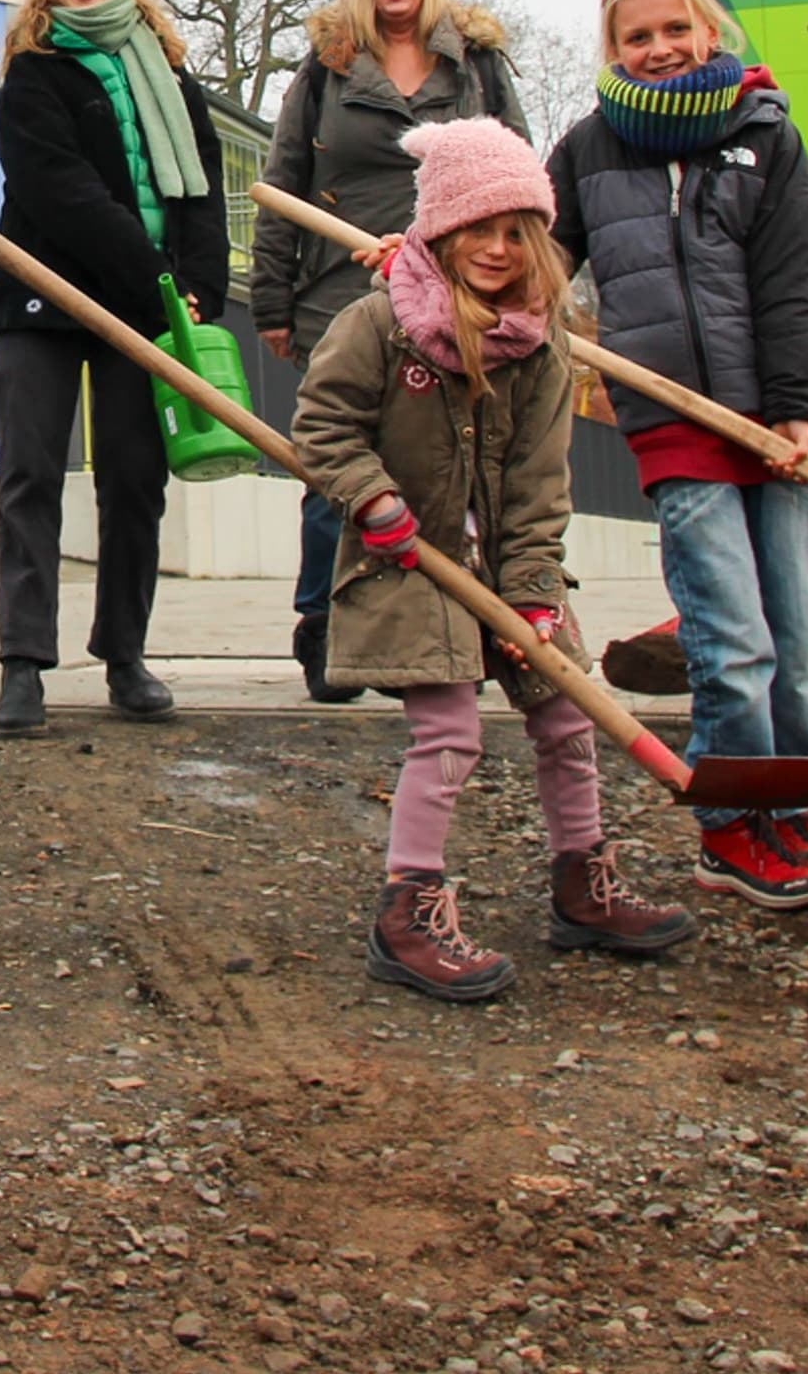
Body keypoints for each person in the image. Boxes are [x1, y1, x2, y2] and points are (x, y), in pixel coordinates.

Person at [295, 119, 695, 1001]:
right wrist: (374, 501)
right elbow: (321, 428)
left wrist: (538, 599)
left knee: (566, 715)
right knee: (449, 734)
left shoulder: (541, 347)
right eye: (479, 227)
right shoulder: (379, 326)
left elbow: (539, 488)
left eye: (517, 232)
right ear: (441, 226)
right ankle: (409, 912)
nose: (498, 248)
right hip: (408, 565)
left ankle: (581, 883)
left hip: (507, 568)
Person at [547, 0, 808, 909]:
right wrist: (432, 261)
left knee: (796, 635)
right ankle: (730, 823)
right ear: (614, 49)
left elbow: (801, 279)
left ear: (710, 32)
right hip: (676, 423)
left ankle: (790, 796)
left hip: (780, 420)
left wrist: (798, 406)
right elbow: (530, 251)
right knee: (732, 637)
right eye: (638, 36)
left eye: (676, 29)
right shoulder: (591, 149)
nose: (661, 48)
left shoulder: (766, 135)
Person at [253, 0, 531, 705]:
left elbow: (517, 172)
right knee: (333, 465)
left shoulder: (476, 66)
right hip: (342, 292)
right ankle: (323, 628)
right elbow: (282, 185)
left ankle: (455, 633)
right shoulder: (328, 67)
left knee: (452, 466)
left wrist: (525, 284)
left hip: (457, 290)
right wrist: (272, 301)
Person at [0, 0, 227, 734]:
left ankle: (125, 656)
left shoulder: (165, 69)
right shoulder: (33, 73)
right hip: (43, 300)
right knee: (30, 479)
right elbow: (61, 190)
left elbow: (201, 190)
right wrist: (156, 276)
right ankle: (24, 664)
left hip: (145, 310)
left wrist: (194, 286)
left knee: (133, 479)